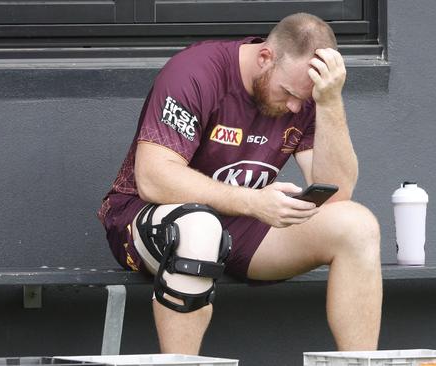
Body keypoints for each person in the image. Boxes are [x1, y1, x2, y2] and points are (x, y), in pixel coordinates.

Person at [97, 12, 382, 355]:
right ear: (265, 57)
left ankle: (361, 364)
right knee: (200, 229)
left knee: (358, 225)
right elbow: (154, 178)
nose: (294, 106)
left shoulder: (306, 96)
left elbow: (337, 192)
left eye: (303, 101)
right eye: (289, 92)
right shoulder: (196, 72)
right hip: (145, 217)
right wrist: (253, 202)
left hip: (242, 225)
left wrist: (330, 102)